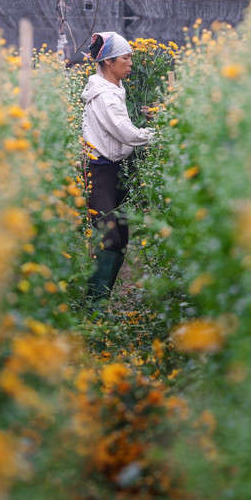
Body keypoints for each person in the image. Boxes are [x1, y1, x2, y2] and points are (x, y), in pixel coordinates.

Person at [81, 31, 155, 304]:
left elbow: (118, 129)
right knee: (109, 237)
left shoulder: (114, 89)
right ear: (109, 62)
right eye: (126, 57)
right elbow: (128, 134)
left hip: (114, 169)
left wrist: (146, 118)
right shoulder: (105, 96)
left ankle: (100, 301)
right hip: (99, 170)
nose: (131, 62)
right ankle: (93, 308)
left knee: (120, 238)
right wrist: (160, 131)